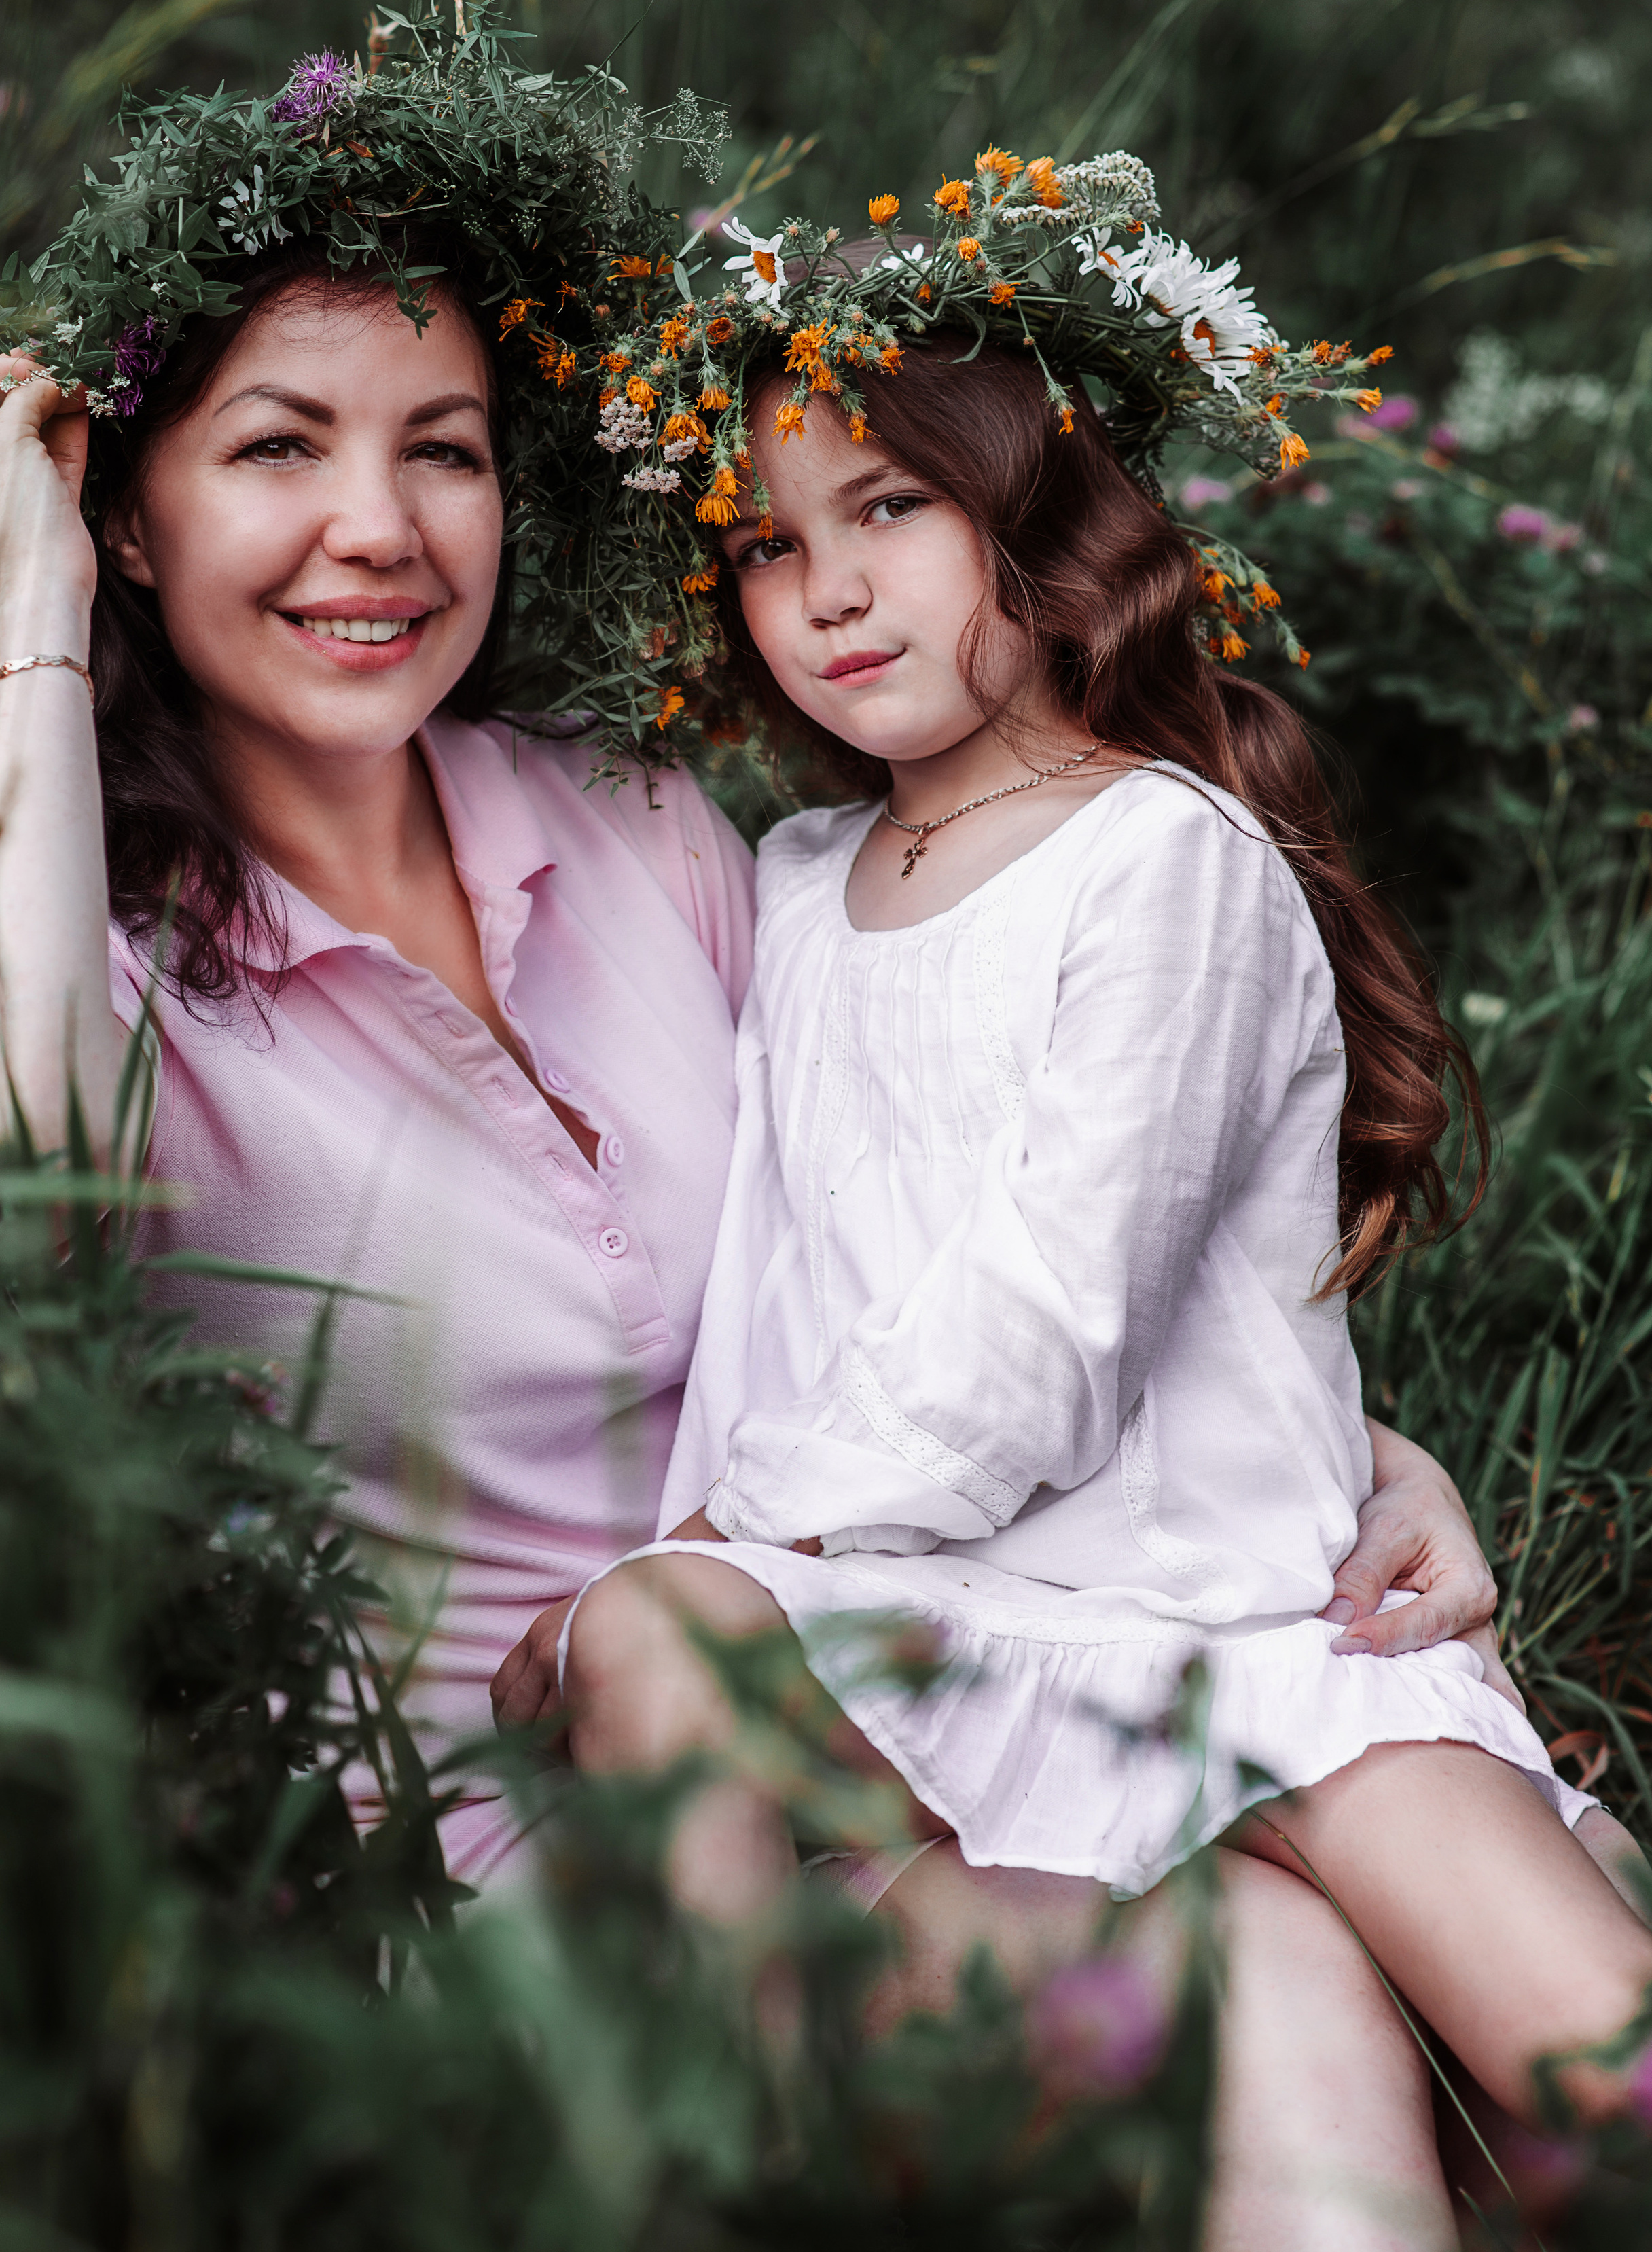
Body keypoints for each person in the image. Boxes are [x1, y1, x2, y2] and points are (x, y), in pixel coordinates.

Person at [0, 62, 1571, 2251]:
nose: (380, 529)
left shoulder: (648, 841)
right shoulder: (100, 963)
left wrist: (1355, 1447)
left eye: (445, 450)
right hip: (528, 1852)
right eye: (275, 449)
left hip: (907, 1705)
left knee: (1344, 1964)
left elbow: (980, 1217)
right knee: (1291, 1986)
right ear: (139, 512)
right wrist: (29, 614)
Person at [560, 327, 1652, 2179]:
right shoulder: (801, 879)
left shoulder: (1170, 855)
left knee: (1603, 2078)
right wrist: (683, 1581)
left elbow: (1057, 1323)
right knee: (660, 1635)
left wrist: (742, 1527)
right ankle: (720, 2186)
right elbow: (794, 1273)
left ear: (1037, 511)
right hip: (959, 1644)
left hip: (1248, 1633)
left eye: (890, 508)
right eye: (762, 541)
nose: (825, 588)